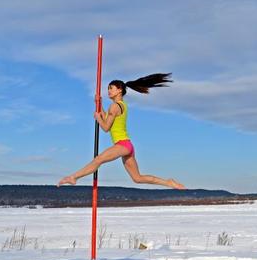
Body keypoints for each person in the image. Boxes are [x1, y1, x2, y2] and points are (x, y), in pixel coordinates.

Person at [58, 73, 186, 189]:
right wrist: (99, 105)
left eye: (111, 88)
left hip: (122, 144)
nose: (108, 91)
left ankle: (74, 177)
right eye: (108, 88)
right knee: (137, 178)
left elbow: (106, 128)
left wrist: (98, 118)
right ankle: (168, 182)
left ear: (119, 90)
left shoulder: (114, 106)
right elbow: (107, 119)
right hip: (127, 145)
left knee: (98, 160)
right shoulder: (121, 105)